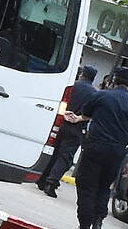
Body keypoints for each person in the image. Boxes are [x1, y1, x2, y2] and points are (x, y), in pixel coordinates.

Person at [72, 66, 128, 229]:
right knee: (104, 187)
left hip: (95, 147)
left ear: (113, 80)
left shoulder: (101, 96)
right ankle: (98, 221)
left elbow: (86, 113)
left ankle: (84, 228)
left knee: (86, 186)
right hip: (116, 152)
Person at [38, 64, 99, 199]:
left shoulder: (71, 85)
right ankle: (51, 182)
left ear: (82, 74)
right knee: (65, 156)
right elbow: (93, 113)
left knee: (53, 151)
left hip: (61, 122)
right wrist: (79, 118)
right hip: (77, 126)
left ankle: (42, 178)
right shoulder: (94, 93)